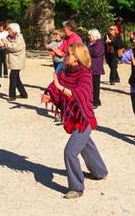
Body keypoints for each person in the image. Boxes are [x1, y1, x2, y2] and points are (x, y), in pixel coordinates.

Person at [42, 43, 108, 199]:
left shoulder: (85, 74)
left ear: (77, 58)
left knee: (70, 152)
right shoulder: (66, 72)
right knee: (86, 146)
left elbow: (81, 94)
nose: (65, 56)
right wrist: (49, 95)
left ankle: (77, 187)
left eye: (69, 54)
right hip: (73, 118)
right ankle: (100, 171)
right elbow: (54, 87)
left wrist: (60, 87)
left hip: (84, 119)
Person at [0, 23, 28, 102]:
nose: (8, 31)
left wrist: (4, 43)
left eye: (9, 29)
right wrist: (0, 42)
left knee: (13, 78)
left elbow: (14, 47)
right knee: (16, 78)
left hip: (17, 61)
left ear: (14, 30)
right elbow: (6, 44)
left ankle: (12, 96)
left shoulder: (19, 37)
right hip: (14, 61)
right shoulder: (11, 37)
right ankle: (24, 94)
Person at [87, 29, 105, 108]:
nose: (89, 37)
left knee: (95, 86)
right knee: (91, 85)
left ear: (95, 36)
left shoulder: (99, 43)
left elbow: (96, 53)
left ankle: (95, 102)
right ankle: (96, 100)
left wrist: (88, 49)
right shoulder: (91, 43)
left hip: (96, 68)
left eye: (90, 35)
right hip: (91, 67)